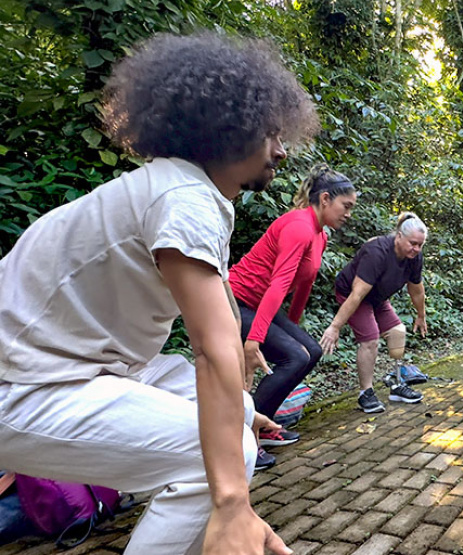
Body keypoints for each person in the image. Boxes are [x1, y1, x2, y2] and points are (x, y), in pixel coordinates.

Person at [0, 33, 318, 554]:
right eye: (271, 133)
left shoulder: (172, 188)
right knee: (216, 459)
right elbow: (213, 349)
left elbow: (212, 367)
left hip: (85, 368)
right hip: (25, 386)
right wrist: (235, 504)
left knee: (231, 423)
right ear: (228, 126)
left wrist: (239, 411)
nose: (281, 151)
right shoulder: (185, 198)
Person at [228, 165, 356, 468]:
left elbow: (303, 285)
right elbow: (278, 284)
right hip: (234, 302)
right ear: (325, 199)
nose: (349, 213)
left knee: (309, 351)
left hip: (259, 306)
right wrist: (254, 340)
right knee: (295, 357)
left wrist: (292, 330)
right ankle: (243, 439)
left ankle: (265, 424)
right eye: (346, 206)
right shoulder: (298, 227)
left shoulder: (319, 234)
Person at [319, 213, 428, 412]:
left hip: (377, 298)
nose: (416, 249)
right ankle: (365, 393)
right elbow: (357, 294)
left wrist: (421, 315)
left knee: (397, 332)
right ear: (399, 237)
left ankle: (396, 385)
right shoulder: (376, 252)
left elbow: (417, 289)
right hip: (353, 294)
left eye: (420, 245)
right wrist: (334, 327)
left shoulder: (414, 257)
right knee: (370, 340)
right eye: (413, 243)